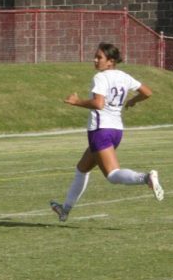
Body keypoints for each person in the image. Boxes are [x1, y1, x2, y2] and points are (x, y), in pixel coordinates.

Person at [50, 42, 164, 222]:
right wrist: (133, 101)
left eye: (99, 57)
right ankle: (65, 209)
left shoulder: (101, 77)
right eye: (95, 57)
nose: (95, 60)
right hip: (116, 131)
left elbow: (98, 104)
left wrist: (76, 101)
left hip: (100, 130)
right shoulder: (124, 76)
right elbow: (147, 92)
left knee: (112, 175)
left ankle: (146, 178)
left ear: (110, 61)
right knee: (82, 168)